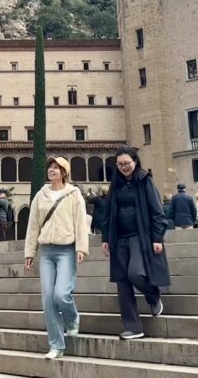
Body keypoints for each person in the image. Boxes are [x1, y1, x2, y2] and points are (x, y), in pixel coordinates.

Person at [101, 145, 171, 340]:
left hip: (140, 236)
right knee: (122, 282)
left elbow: (158, 211)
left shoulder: (144, 181)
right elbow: (107, 213)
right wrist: (105, 238)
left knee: (134, 273)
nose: (124, 167)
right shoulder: (115, 185)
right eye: (120, 164)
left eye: (127, 163)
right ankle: (133, 327)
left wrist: (157, 238)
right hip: (118, 238)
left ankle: (152, 295)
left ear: (135, 162)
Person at [24, 156, 90, 360]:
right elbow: (33, 225)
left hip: (66, 250)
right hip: (46, 252)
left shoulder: (73, 193)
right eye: (50, 168)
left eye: (56, 168)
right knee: (47, 299)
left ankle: (72, 318)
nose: (51, 171)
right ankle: (56, 345)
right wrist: (29, 252)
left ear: (64, 172)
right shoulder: (40, 195)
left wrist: (81, 247)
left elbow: (80, 221)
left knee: (61, 295)